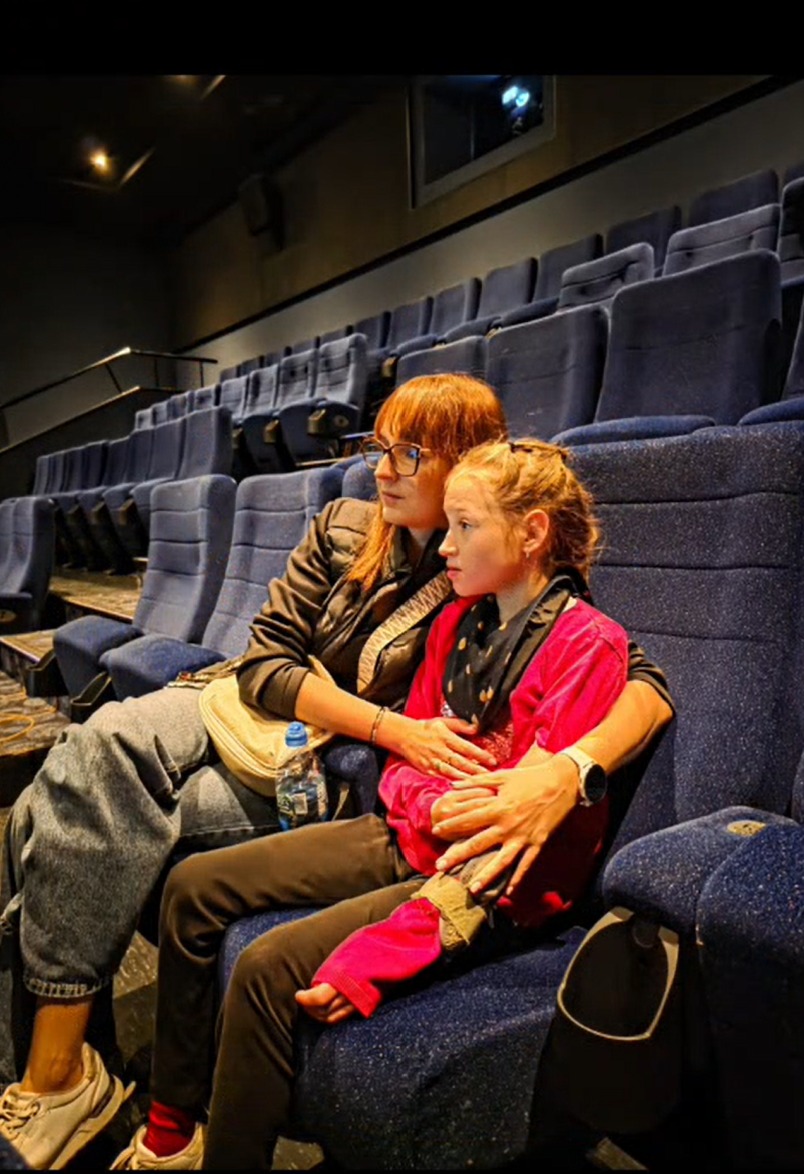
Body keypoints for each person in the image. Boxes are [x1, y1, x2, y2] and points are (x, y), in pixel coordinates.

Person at [0, 374, 671, 1171]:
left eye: (408, 453)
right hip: (273, 722)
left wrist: (567, 769)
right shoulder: (363, 536)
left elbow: (635, 677)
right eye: (378, 448)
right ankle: (72, 1075)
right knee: (76, 772)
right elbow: (274, 664)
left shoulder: (488, 590)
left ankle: (86, 1087)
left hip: (341, 780)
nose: (381, 469)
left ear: (465, 463)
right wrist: (402, 746)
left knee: (91, 810)